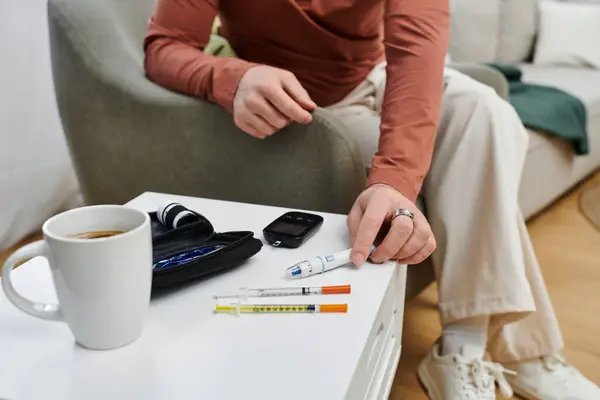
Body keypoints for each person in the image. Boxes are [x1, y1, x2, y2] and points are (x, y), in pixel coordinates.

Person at [143, 1, 600, 399]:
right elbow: (164, 45)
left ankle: (463, 348)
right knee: (461, 159)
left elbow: (417, 47)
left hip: (381, 77)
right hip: (307, 108)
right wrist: (231, 76)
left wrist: (395, 181)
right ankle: (527, 351)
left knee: (489, 114)